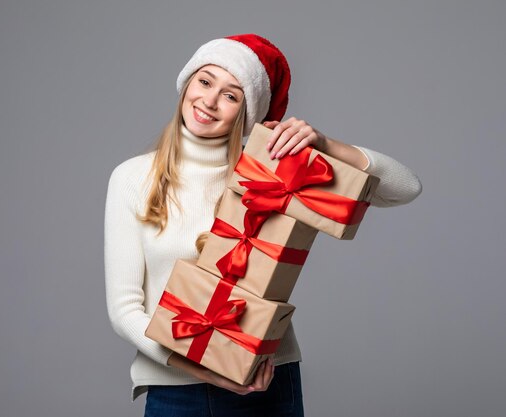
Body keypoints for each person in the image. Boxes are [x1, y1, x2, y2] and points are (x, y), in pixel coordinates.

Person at [105, 34, 422, 417]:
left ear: (246, 110)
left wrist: (325, 145)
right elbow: (125, 309)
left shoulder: (269, 169)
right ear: (187, 82)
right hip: (175, 389)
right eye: (205, 82)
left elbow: (405, 187)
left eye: (231, 95)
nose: (209, 101)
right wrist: (204, 368)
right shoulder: (132, 178)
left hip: (266, 380)